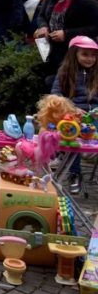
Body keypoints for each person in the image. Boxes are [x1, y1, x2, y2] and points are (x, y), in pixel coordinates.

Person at [34, 0, 98, 78]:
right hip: (52, 51)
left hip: (75, 55)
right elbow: (41, 16)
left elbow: (95, 27)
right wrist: (43, 27)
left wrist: (67, 33)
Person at [51, 36, 98, 194]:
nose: (90, 59)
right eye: (85, 54)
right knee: (73, 134)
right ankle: (74, 173)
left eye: (93, 55)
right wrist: (72, 108)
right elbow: (56, 97)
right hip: (73, 118)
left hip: (94, 118)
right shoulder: (65, 72)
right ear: (74, 54)